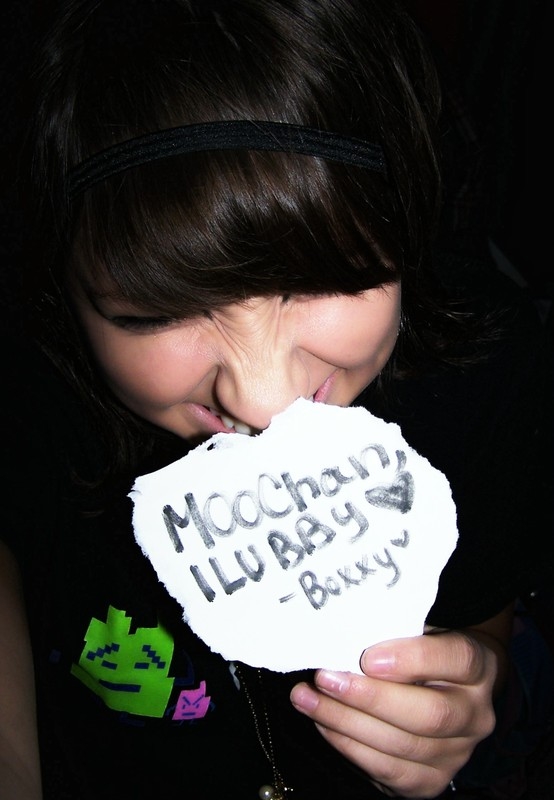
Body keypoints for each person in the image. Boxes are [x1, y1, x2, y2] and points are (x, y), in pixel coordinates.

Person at [1, 1, 553, 798]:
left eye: (323, 279)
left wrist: (463, 692)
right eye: (158, 312)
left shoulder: (484, 373)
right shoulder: (36, 402)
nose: (263, 403)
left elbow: (482, 615)